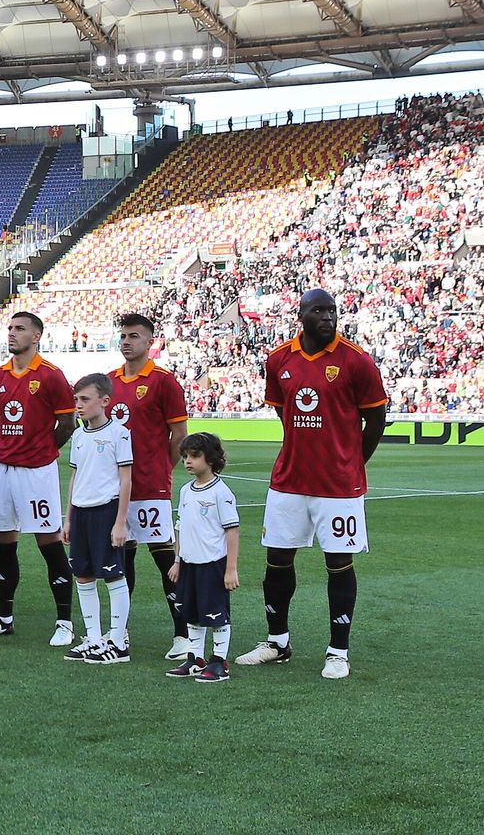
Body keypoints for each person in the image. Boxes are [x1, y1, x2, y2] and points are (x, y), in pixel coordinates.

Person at [236, 289, 387, 681]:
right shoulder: (279, 360)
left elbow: (377, 420)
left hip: (338, 487)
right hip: (289, 482)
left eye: (332, 310)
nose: (328, 317)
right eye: (318, 310)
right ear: (300, 314)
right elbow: (283, 413)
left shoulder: (356, 361)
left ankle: (338, 652)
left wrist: (352, 462)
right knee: (277, 560)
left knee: (338, 564)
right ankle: (277, 642)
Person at [0, 312, 77, 646]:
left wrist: (43, 450)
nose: (11, 333)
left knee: (48, 543)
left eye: (20, 329)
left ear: (36, 336)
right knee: (2, 544)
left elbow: (67, 424)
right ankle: (4, 617)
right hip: (3, 469)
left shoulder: (51, 375)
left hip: (38, 472)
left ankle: (64, 622)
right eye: (9, 328)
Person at [110, 312, 193, 660]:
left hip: (150, 486)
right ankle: (119, 631)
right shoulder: (109, 382)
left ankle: (184, 634)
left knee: (164, 559)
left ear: (149, 341)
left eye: (134, 336)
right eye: (123, 336)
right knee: (121, 559)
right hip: (115, 490)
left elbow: (180, 435)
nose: (126, 342)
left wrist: (162, 470)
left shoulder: (163, 381)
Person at [62, 374, 135, 665]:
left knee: (114, 575)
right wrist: (68, 518)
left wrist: (120, 522)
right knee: (82, 575)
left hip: (106, 511)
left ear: (104, 401)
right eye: (76, 399)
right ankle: (94, 639)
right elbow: (75, 477)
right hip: (80, 513)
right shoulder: (79, 435)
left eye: (85, 399)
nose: (79, 405)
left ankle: (118, 642)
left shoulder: (119, 433)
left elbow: (126, 480)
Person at [168, 433, 240, 682]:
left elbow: (232, 531)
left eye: (195, 456)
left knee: (216, 614)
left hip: (212, 565)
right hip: (189, 564)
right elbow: (180, 527)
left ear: (210, 458)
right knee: (191, 612)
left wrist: (231, 568)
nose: (188, 461)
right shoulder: (185, 491)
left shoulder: (221, 493)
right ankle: (195, 658)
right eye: (185, 456)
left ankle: (219, 662)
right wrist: (177, 561)